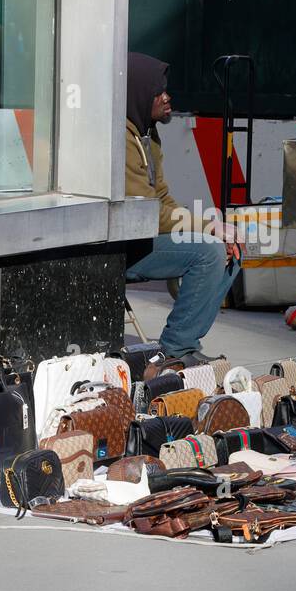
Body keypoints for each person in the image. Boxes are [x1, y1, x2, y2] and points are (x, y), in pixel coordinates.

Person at [124, 53, 241, 363]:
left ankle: (186, 344)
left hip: (143, 238)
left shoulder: (147, 134)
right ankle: (175, 350)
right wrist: (207, 227)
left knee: (231, 249)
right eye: (158, 91)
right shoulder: (121, 141)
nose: (167, 98)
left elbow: (162, 198)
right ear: (138, 93)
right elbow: (145, 217)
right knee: (209, 251)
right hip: (122, 249)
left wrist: (210, 229)